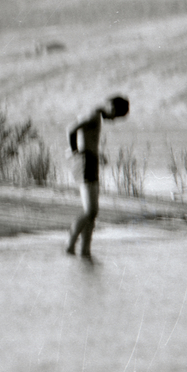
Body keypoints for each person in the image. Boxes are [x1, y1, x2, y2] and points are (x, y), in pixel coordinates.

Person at [65, 95, 130, 258]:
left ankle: (85, 250)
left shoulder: (96, 116)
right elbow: (71, 129)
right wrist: (74, 152)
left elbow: (86, 139)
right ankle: (70, 246)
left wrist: (97, 154)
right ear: (112, 108)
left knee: (93, 213)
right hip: (85, 162)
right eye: (115, 117)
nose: (113, 120)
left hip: (91, 161)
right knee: (90, 210)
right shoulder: (92, 114)